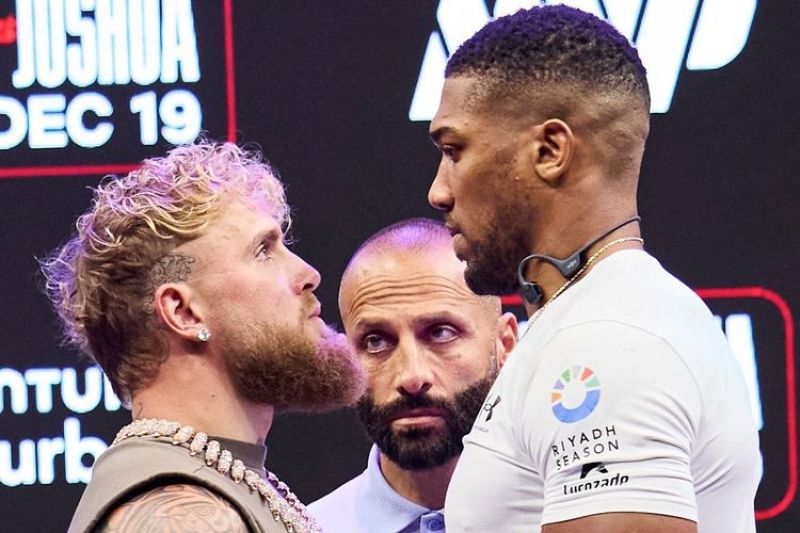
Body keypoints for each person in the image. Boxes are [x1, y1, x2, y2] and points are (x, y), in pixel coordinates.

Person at [427, 5, 760, 533]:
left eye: (454, 150)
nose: (439, 191)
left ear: (550, 150)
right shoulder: (607, 316)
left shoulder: (605, 339)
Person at [40, 140, 366, 533]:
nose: (308, 274)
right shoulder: (179, 518)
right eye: (263, 251)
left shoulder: (227, 482)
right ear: (184, 313)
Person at [309, 218, 517, 532]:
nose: (412, 377)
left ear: (505, 344)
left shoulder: (571, 517)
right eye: (375, 341)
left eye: (441, 333)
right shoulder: (304, 528)